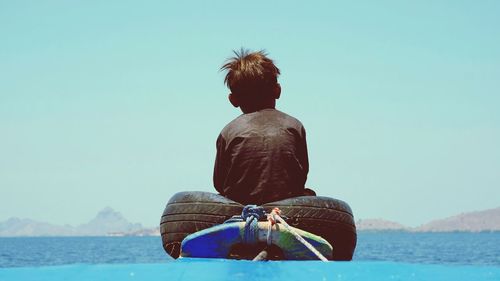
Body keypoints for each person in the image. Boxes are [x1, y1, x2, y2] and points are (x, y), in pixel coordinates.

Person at [214, 49, 315, 205]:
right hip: (289, 208)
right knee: (309, 194)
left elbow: (219, 183)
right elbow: (302, 174)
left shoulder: (228, 132)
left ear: (233, 100)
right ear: (277, 91)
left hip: (241, 209)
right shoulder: (294, 126)